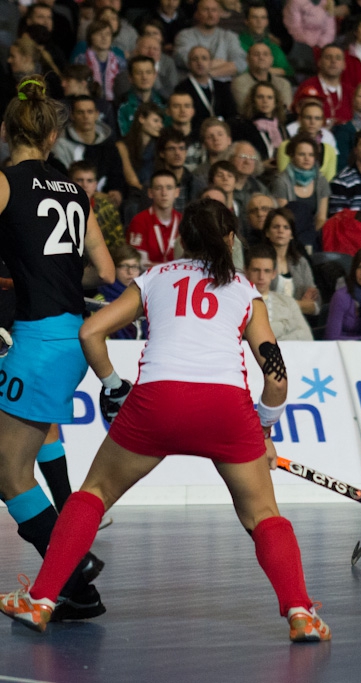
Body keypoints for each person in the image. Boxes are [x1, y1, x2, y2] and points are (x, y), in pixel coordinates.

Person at [1, 197, 332, 639]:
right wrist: (264, 429)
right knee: (263, 514)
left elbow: (90, 331)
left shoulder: (155, 276)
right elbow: (276, 378)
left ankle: (41, 600)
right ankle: (301, 614)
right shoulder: (245, 292)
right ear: (231, 240)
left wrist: (113, 384)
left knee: (93, 494)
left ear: (182, 239)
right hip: (225, 409)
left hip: (157, 402)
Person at [0, 76, 116, 626]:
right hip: (75, 336)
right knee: (14, 460)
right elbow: (106, 271)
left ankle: (72, 573)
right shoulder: (76, 191)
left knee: (7, 471)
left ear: (7, 132)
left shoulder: (4, 180)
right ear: (52, 139)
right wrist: (60, 270)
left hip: (39, 337)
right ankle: (76, 585)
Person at [269, 134, 331, 249]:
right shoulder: (281, 181)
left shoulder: (321, 181)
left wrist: (310, 237)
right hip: (288, 236)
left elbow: (321, 218)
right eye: (302, 154)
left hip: (313, 235)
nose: (307, 158)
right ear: (292, 156)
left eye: (311, 155)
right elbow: (284, 218)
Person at [245, 243, 314, 341]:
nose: (261, 277)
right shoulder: (238, 302)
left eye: (267, 271)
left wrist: (274, 339)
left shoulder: (288, 302)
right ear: (246, 272)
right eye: (256, 270)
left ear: (273, 274)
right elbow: (249, 335)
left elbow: (307, 337)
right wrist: (284, 325)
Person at [262, 208, 320, 317]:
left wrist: (282, 305)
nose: (281, 231)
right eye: (276, 227)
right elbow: (261, 302)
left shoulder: (301, 262)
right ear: (267, 232)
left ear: (292, 234)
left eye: (286, 227)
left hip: (298, 323)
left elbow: (314, 306)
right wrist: (300, 304)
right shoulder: (259, 262)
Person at [126, 170, 182, 268]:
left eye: (169, 188)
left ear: (177, 192)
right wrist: (172, 268)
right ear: (150, 193)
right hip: (149, 280)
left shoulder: (183, 222)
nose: (164, 193)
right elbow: (139, 264)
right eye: (158, 188)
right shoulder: (139, 221)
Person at [68, 161, 125, 249]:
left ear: (95, 184)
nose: (85, 185)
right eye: (79, 180)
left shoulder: (107, 208)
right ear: (69, 182)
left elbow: (118, 244)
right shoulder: (62, 206)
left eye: (89, 181)